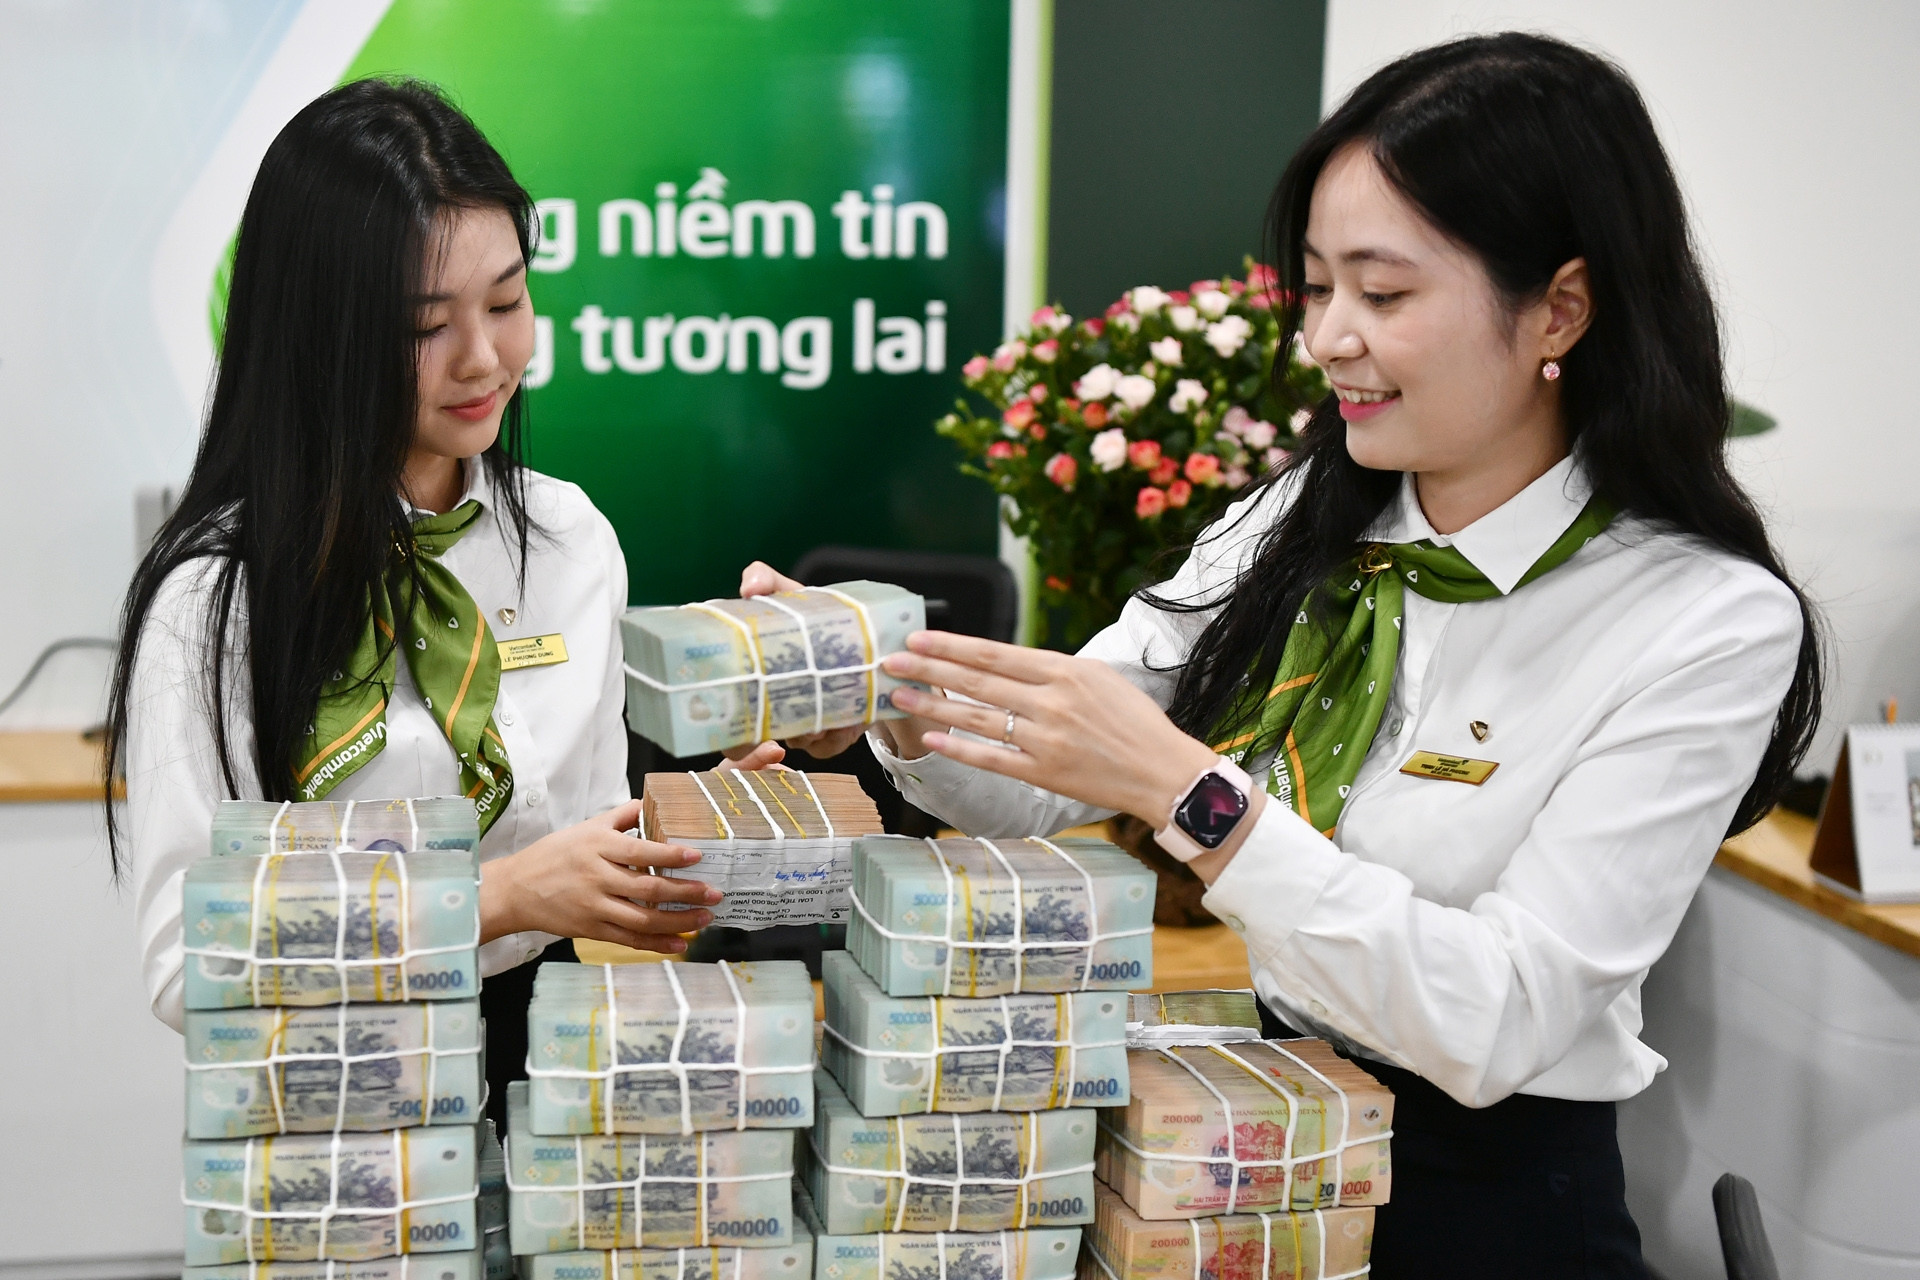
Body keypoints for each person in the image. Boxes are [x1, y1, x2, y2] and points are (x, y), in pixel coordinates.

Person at [739, 33, 1821, 1279]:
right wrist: (895, 693)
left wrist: (1189, 793)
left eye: (1384, 294)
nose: (1328, 339)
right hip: (1263, 1135)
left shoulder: (1704, 619)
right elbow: (1060, 764)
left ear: (1560, 309)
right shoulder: (1305, 514)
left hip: (1486, 1205)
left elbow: (1500, 1015)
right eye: (1315, 288)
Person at [106, 79, 776, 1116]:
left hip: (547, 1082)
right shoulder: (216, 598)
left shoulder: (569, 540)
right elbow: (188, 962)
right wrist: (495, 897)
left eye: (506, 303)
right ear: (319, 332)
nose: (485, 358)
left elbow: (582, 847)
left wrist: (690, 834)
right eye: (426, 325)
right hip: (335, 1105)